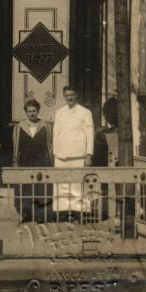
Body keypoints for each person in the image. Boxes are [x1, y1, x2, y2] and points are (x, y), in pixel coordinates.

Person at [52, 86, 95, 220]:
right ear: (64, 97)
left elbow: (90, 134)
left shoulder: (85, 112)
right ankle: (63, 213)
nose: (69, 98)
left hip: (78, 155)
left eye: (72, 95)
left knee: (78, 185)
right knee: (61, 185)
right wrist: (55, 153)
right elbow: (56, 133)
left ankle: (79, 214)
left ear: (76, 96)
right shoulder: (59, 112)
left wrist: (89, 154)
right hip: (61, 156)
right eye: (67, 95)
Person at [12, 99, 53, 222]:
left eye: (34, 111)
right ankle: (26, 214)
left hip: (41, 160)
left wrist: (50, 162)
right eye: (29, 111)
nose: (32, 113)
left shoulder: (46, 126)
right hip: (25, 161)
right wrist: (15, 162)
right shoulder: (19, 127)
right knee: (26, 188)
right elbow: (16, 147)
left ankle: (40, 215)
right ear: (26, 112)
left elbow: (49, 145)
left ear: (38, 111)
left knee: (40, 187)